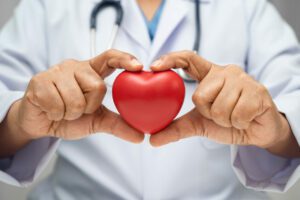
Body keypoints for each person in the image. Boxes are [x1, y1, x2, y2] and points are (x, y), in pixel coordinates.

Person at [0, 0, 299, 199]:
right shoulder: (46, 6)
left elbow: (294, 97)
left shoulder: (246, 7)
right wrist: (17, 122)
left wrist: (278, 130)